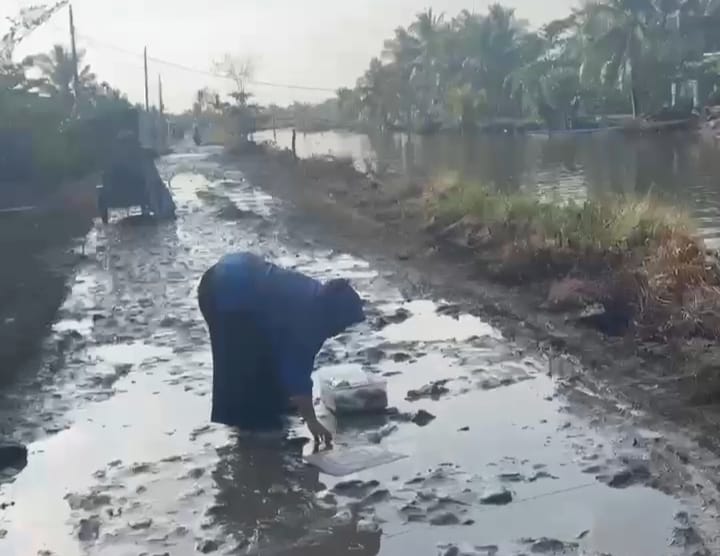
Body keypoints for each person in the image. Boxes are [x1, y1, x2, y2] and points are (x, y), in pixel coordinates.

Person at [197, 252, 365, 444]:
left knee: (268, 355)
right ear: (336, 315)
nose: (341, 330)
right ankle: (252, 428)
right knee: (246, 363)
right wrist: (312, 421)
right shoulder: (309, 321)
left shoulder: (316, 295)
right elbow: (297, 373)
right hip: (222, 292)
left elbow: (286, 355)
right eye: (343, 324)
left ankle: (271, 407)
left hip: (239, 276)